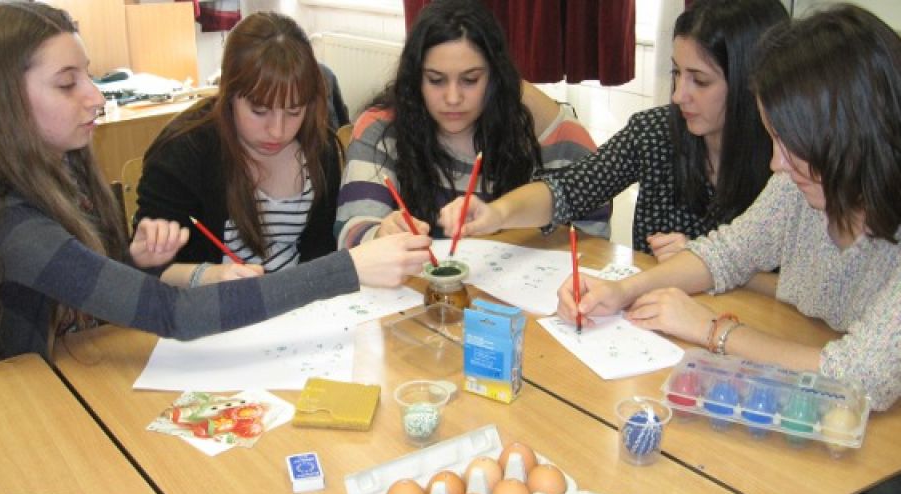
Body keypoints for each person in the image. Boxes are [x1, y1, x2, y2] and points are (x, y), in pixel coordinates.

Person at [0, 3, 430, 364]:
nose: (97, 96)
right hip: (30, 398)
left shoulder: (66, 170)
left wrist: (132, 260)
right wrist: (350, 267)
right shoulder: (10, 222)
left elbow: (94, 284)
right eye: (67, 84)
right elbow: (169, 311)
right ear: (2, 100)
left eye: (88, 75)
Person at [556, 4, 901, 411]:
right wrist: (622, 291)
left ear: (853, 135)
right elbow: (727, 253)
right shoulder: (800, 186)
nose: (777, 163)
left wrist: (712, 330)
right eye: (774, 139)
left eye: (792, 145)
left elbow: (860, 378)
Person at [441, 0, 788, 266]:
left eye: (700, 80)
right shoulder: (655, 133)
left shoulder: (792, 164)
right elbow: (568, 189)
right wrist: (497, 213)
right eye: (676, 73)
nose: (679, 94)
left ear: (750, 82)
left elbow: (807, 294)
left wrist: (706, 260)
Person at [335, 0, 609, 248]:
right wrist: (379, 234)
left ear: (495, 77)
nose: (453, 98)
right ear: (415, 78)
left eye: (470, 80)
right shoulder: (382, 128)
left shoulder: (553, 137)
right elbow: (352, 233)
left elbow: (591, 242)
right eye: (436, 79)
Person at [136, 12, 342, 276]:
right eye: (259, 111)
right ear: (229, 94)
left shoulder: (318, 147)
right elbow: (149, 271)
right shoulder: (183, 151)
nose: (277, 131)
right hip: (210, 305)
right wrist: (207, 277)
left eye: (293, 112)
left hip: (298, 304)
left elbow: (321, 251)